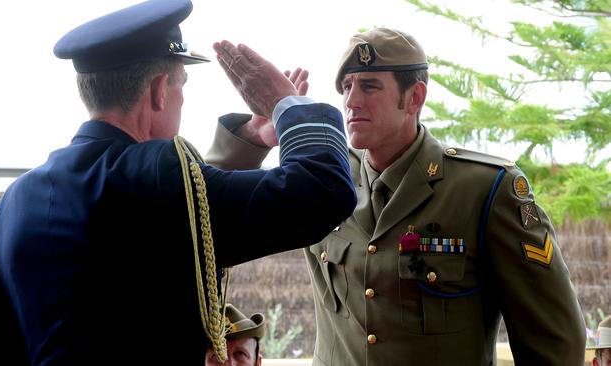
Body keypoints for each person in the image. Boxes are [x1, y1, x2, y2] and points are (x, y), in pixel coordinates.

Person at [0, 0, 356, 364]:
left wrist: (251, 140)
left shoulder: (16, 200)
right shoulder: (160, 179)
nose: (181, 102)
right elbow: (324, 190)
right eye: (181, 86)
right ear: (157, 92)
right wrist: (288, 106)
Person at [206, 27, 586, 365]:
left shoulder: (484, 189)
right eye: (347, 87)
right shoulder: (323, 178)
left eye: (369, 86)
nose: (352, 101)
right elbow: (207, 217)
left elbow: (554, 341)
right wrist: (257, 137)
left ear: (415, 97)